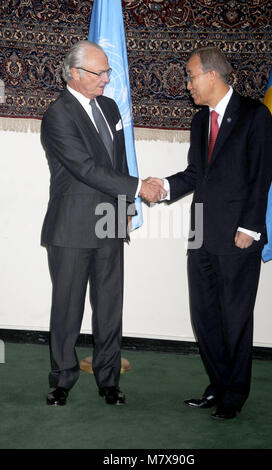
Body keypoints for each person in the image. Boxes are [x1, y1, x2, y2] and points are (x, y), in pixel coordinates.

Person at [147, 46, 272, 419]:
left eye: (191, 76)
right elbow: (195, 174)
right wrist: (164, 188)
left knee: (235, 318)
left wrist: (250, 227)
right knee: (204, 317)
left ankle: (234, 395)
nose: (187, 85)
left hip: (238, 236)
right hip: (201, 234)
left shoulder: (255, 115)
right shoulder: (200, 121)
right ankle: (217, 386)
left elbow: (261, 175)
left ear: (213, 76)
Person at [41, 40, 164, 406]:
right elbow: (86, 169)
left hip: (110, 220)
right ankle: (62, 379)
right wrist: (140, 188)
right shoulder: (58, 114)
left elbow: (119, 162)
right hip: (72, 225)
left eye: (108, 71)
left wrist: (127, 201)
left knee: (110, 305)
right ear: (75, 74)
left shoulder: (110, 107)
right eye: (99, 72)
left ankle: (108, 380)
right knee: (67, 307)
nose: (107, 79)